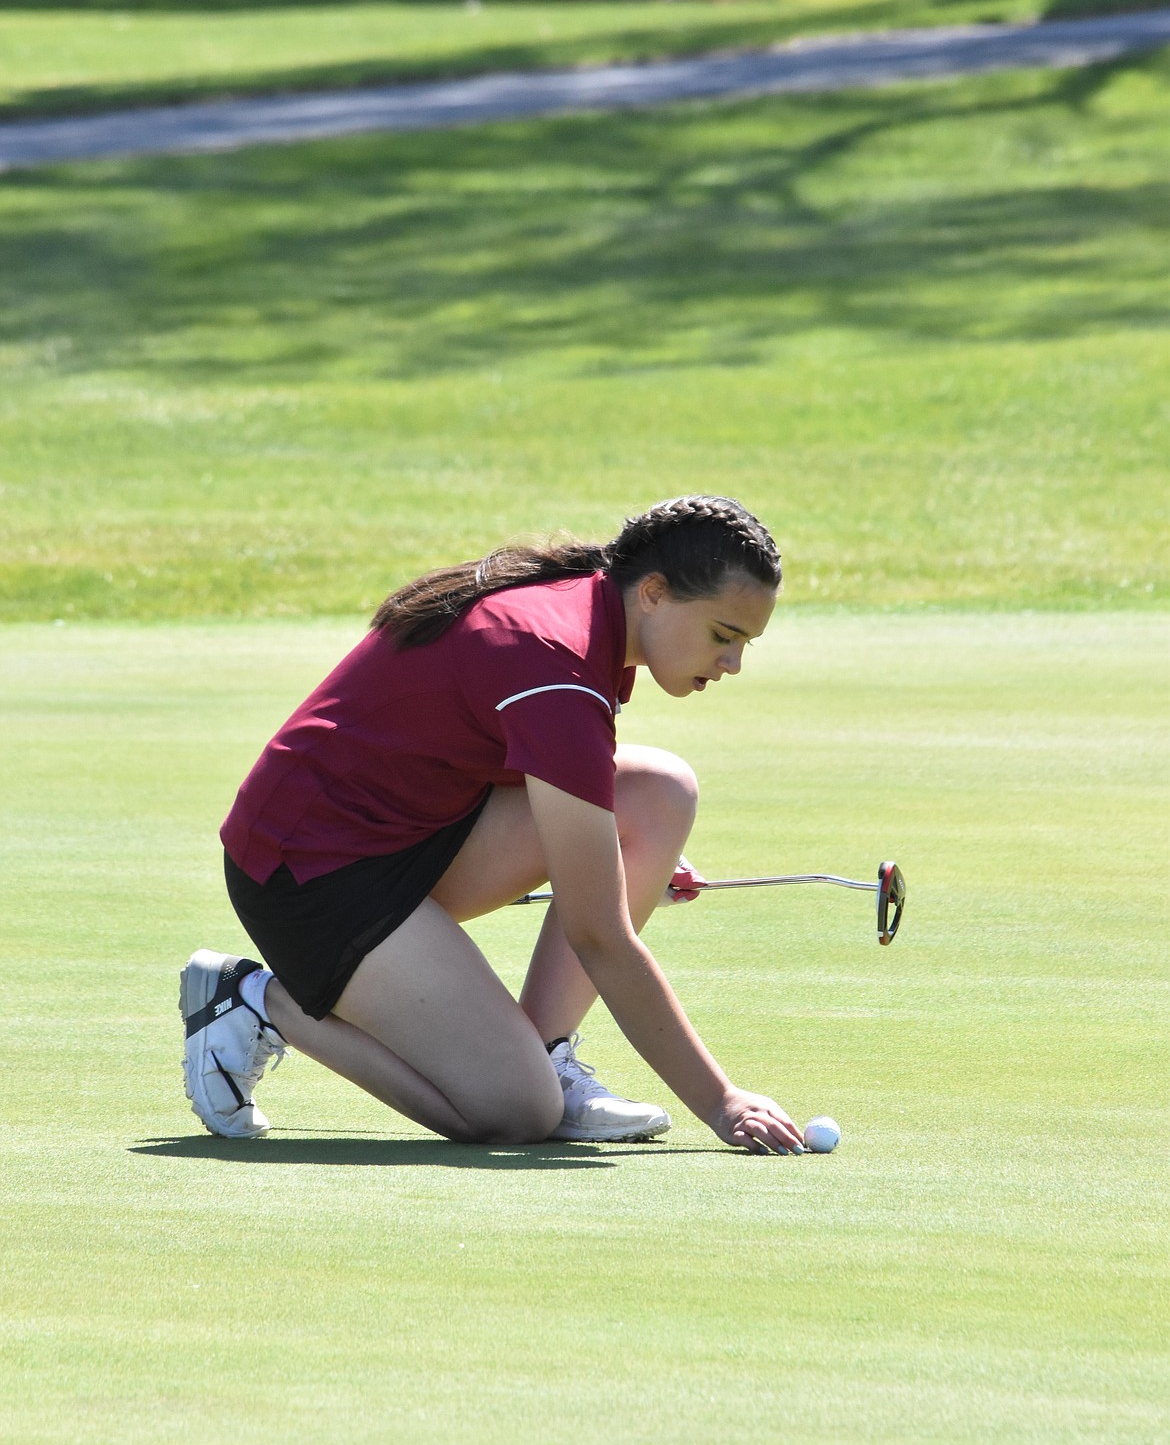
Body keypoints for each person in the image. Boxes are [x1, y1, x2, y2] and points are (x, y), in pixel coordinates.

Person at [180, 494, 805, 1156]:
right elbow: (599, 935)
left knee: (659, 794)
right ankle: (253, 1000)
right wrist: (720, 1099)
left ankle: (544, 1049)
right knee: (516, 1109)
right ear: (653, 592)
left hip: (411, 834)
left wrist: (595, 854)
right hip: (305, 874)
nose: (733, 662)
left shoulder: (589, 609)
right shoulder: (560, 662)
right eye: (723, 635)